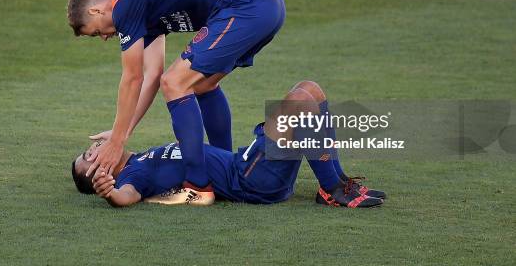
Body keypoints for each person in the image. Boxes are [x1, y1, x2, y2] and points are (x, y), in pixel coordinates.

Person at [66, 0, 286, 205]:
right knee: (202, 84)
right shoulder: (136, 1)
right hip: (264, 2)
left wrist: (118, 141)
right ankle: (225, 166)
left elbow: (132, 77)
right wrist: (123, 131)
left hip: (246, 6)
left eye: (95, 33)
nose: (104, 38)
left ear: (95, 10)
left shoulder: (125, 4)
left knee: (175, 83)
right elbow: (151, 76)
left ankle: (198, 186)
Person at [71, 81, 386, 208]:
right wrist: (109, 192)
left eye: (88, 149)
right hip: (251, 178)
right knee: (300, 102)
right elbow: (126, 197)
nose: (94, 149)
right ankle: (332, 191)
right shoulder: (132, 176)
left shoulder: (140, 157)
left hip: (248, 166)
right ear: (100, 170)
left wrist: (116, 135)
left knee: (310, 90)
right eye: (90, 158)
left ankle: (338, 181)